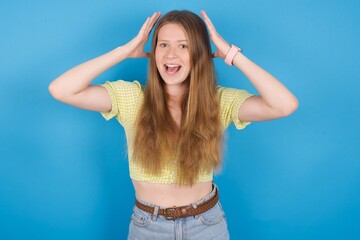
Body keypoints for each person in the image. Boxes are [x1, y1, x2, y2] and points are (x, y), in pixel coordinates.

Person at [49, 10, 298, 240]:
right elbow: (61, 89)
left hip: (207, 226)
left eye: (184, 46)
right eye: (163, 45)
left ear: (199, 53)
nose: (171, 55)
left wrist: (233, 55)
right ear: (154, 51)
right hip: (148, 228)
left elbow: (284, 105)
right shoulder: (132, 99)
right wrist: (124, 51)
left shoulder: (219, 102)